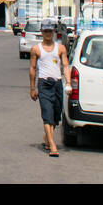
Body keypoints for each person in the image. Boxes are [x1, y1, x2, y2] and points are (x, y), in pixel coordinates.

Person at [29, 20, 70, 157]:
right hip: (44, 84)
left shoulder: (60, 48)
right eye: (45, 31)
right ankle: (53, 146)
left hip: (57, 84)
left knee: (56, 115)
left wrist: (68, 82)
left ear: (53, 32)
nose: (47, 33)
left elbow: (65, 66)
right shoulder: (36, 49)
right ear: (41, 32)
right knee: (47, 114)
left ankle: (47, 139)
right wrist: (32, 88)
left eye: (50, 31)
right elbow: (33, 68)